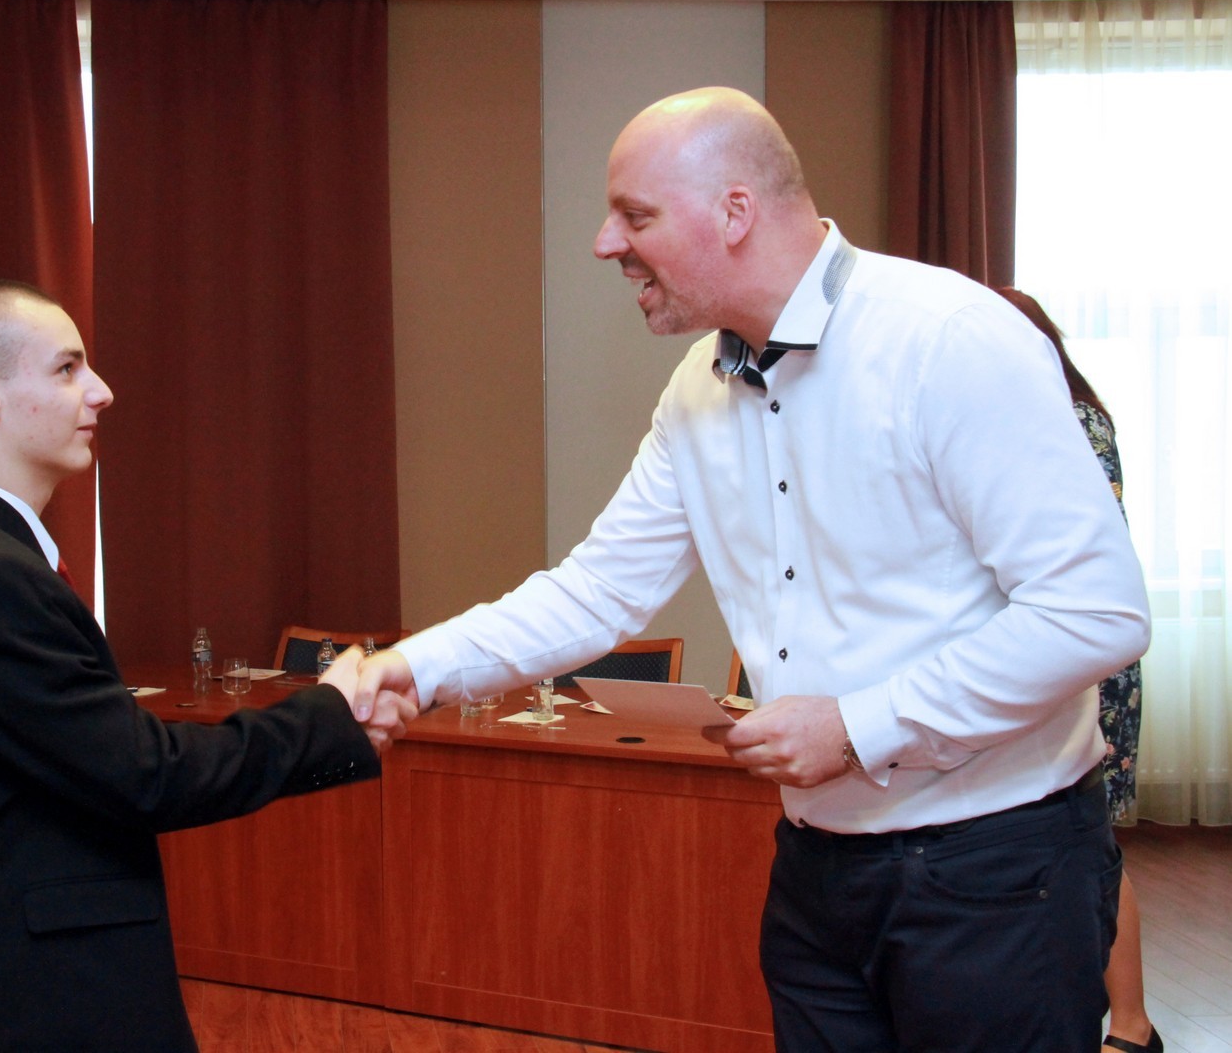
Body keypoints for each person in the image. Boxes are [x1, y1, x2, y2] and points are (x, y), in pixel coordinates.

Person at [354, 88, 1150, 1050]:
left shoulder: (948, 339)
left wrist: (857, 728)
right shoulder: (696, 388)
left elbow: (1095, 613)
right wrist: (415, 667)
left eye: (634, 215)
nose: (606, 244)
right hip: (816, 871)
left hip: (999, 870)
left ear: (734, 212)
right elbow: (598, 590)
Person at [0, 279, 416, 1052]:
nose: (102, 391)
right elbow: (144, 775)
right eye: (67, 369)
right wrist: (329, 716)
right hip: (14, 1000)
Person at [995, 286, 1161, 1053]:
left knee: (1097, 854)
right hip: (1057, 657)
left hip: (1087, 663)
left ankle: (1130, 1023)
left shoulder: (1076, 421)